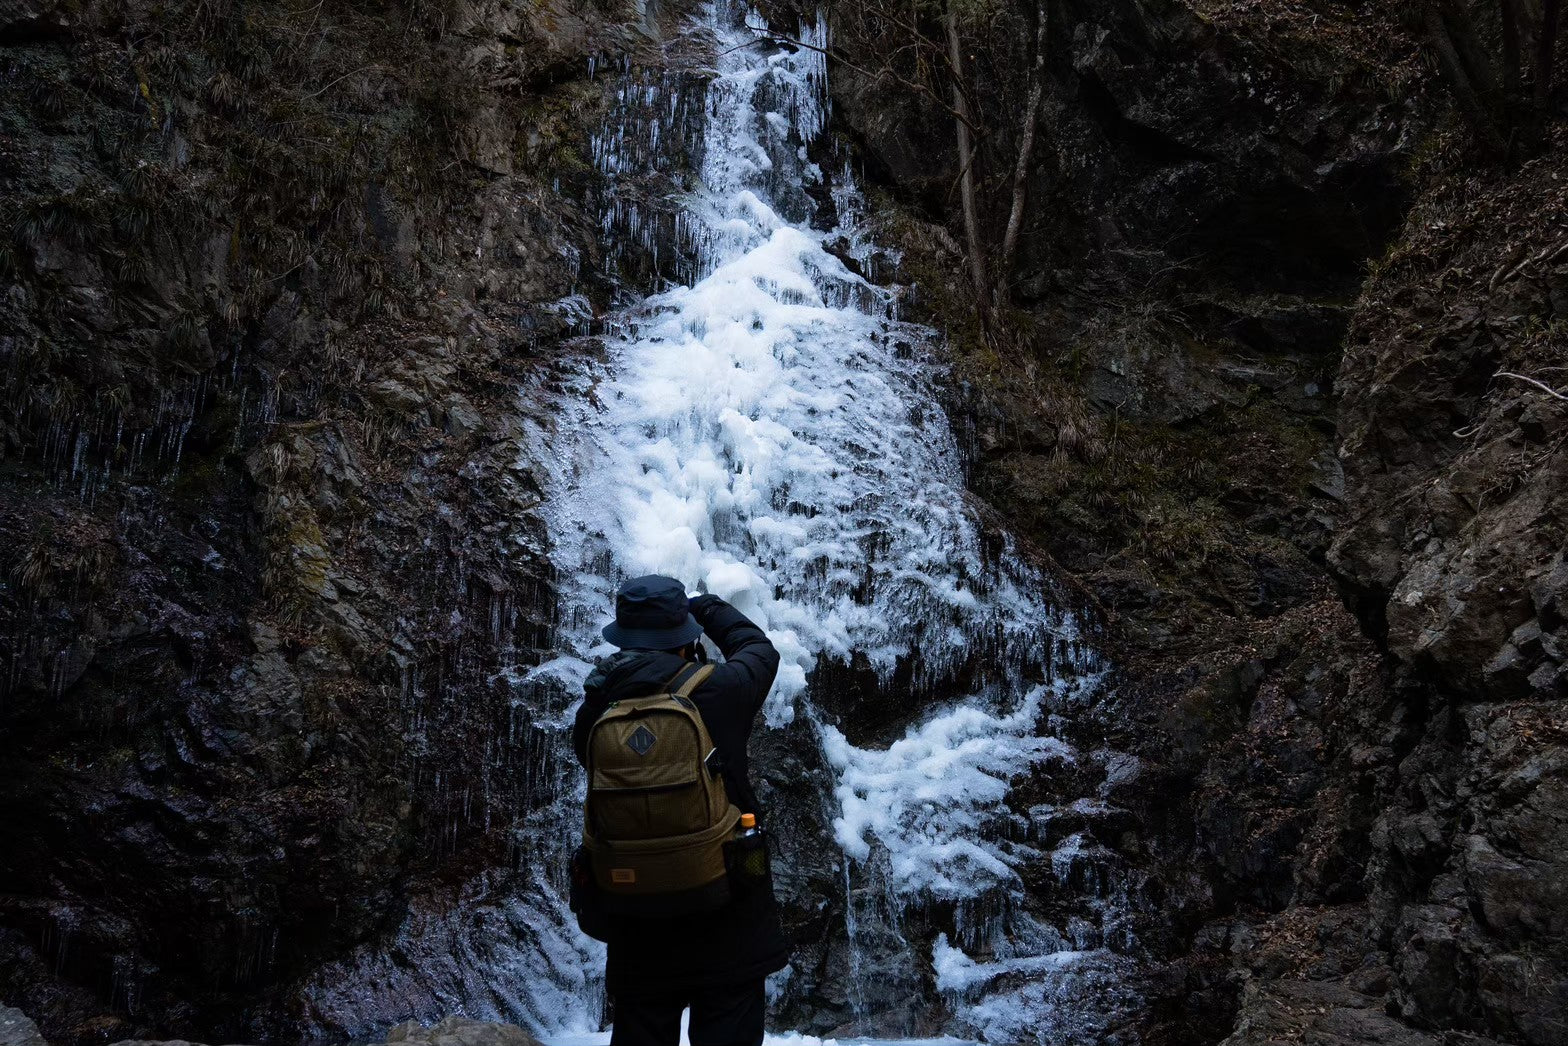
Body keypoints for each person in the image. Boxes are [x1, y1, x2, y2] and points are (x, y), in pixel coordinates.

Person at [572, 574, 790, 1046]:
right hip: (726, 909)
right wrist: (707, 606)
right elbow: (759, 649)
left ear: (623, 636)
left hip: (635, 918)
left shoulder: (596, 709)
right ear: (684, 635)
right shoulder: (723, 690)